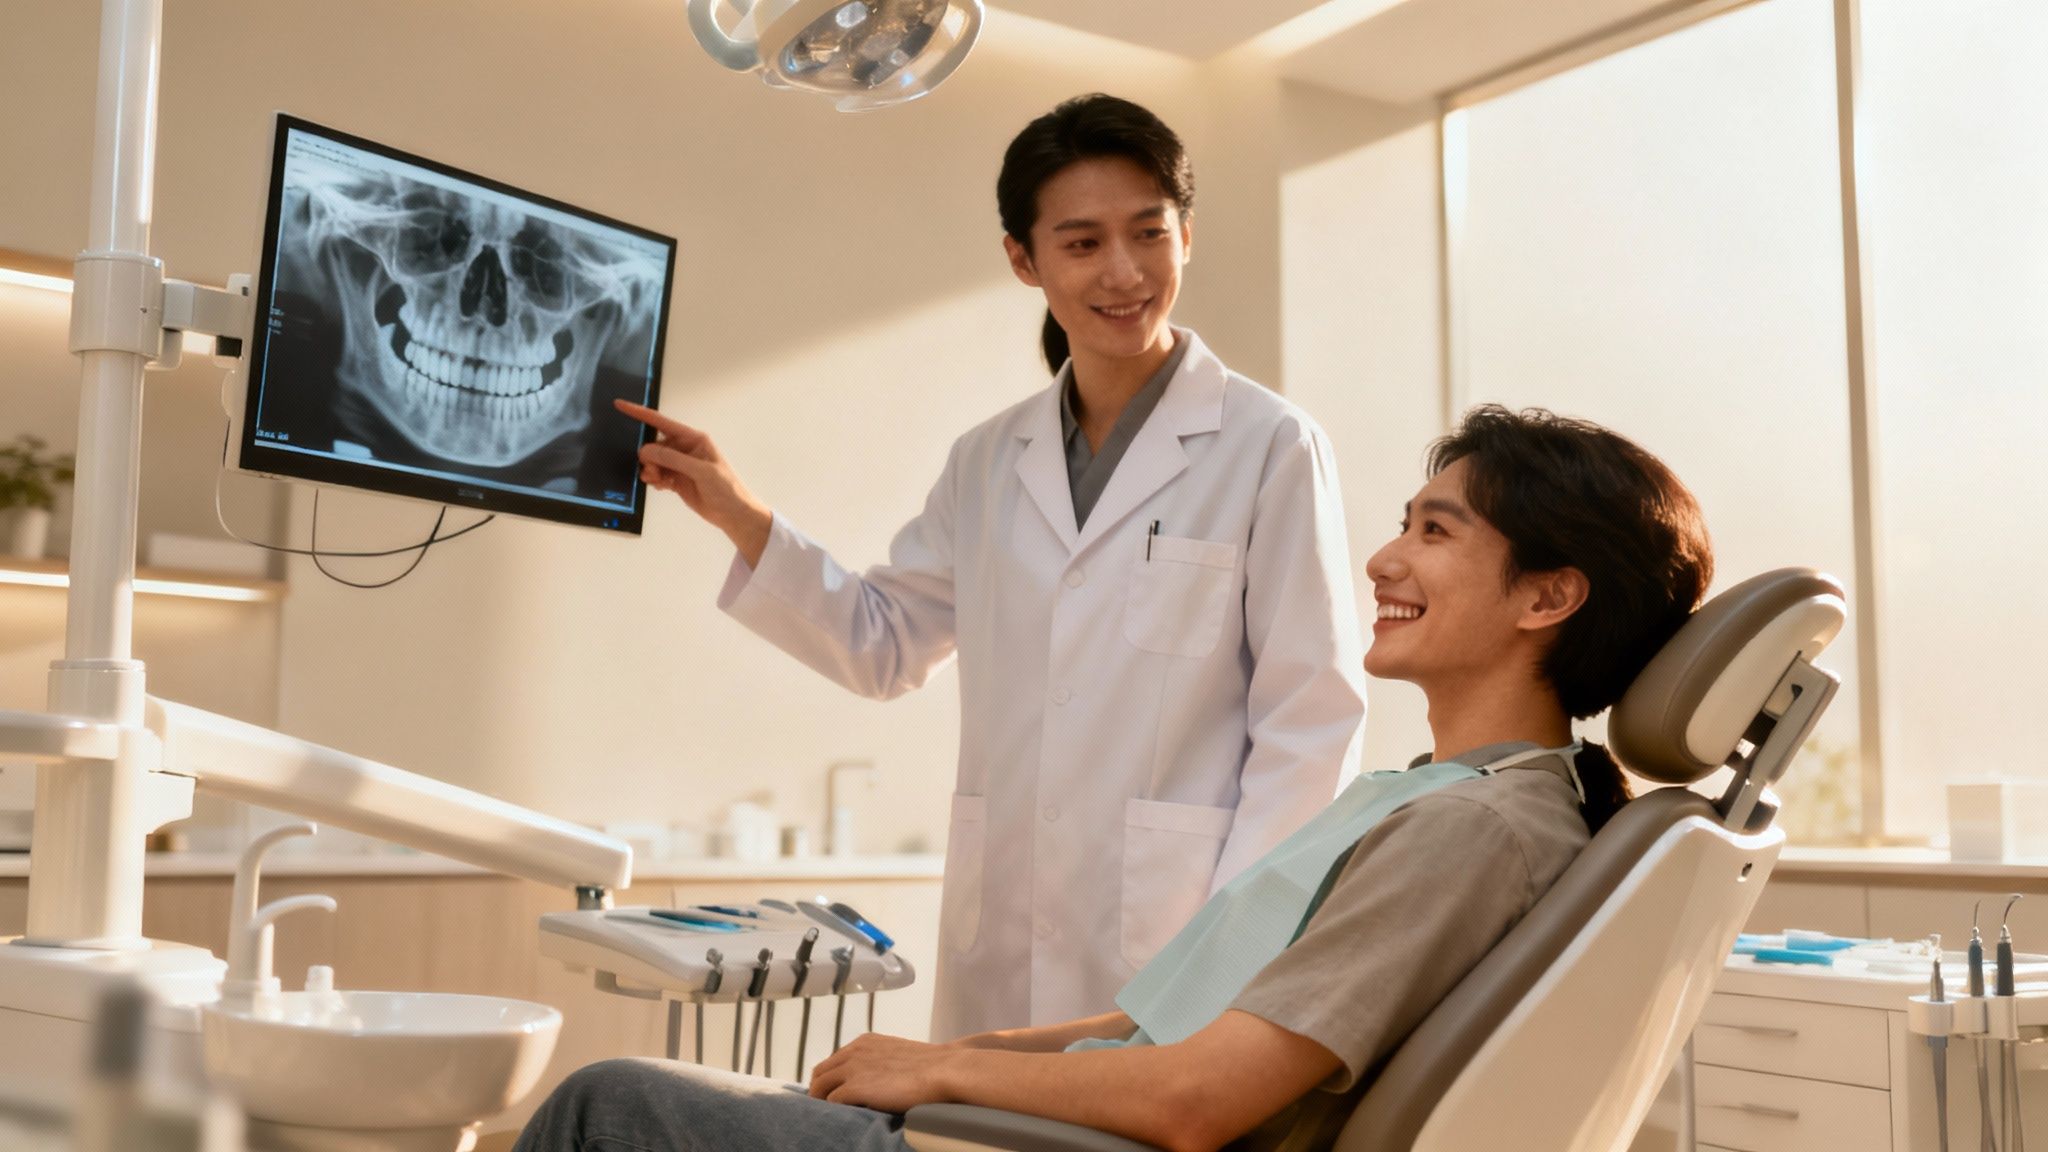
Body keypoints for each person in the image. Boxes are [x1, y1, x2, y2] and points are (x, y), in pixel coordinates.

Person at [514, 405, 1716, 1152]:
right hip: (1068, 1106)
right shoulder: (1455, 799)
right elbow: (1170, 1024)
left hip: (1094, 1137)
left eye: (1435, 532)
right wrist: (955, 1059)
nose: (1383, 555)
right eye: (1404, 520)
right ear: (1025, 256)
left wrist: (942, 1069)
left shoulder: (1475, 828)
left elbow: (1197, 1096)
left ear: (1550, 596)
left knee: (606, 1101)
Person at [617, 93, 1367, 1038]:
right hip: (1003, 935)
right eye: (1083, 243)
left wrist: (1233, 947)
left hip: (1176, 940)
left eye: (1149, 232)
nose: (1125, 272)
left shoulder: (1270, 446)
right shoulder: (987, 461)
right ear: (1025, 258)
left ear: (1187, 235)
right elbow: (882, 647)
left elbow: (1311, 720)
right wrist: (740, 514)